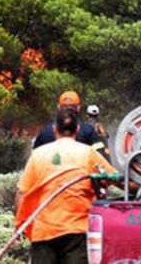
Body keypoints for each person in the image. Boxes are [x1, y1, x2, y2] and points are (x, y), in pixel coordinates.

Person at [16, 108, 117, 264]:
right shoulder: (88, 153)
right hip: (77, 231)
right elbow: (114, 178)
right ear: (77, 129)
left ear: (55, 128)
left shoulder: (38, 154)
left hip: (44, 231)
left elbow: (21, 191)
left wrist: (20, 226)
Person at [33, 91, 111, 162]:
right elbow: (101, 157)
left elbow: (35, 158)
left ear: (58, 108)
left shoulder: (46, 131)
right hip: (83, 174)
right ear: (78, 108)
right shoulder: (89, 130)